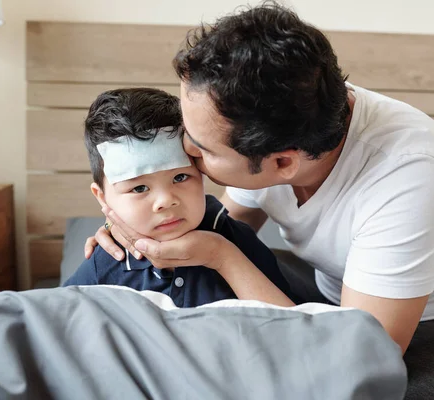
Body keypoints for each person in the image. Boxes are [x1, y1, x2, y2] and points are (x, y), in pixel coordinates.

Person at [86, 3, 434, 398]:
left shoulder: (411, 178)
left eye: (204, 150)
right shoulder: (273, 105)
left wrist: (222, 256)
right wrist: (136, 234)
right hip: (324, 285)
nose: (189, 153)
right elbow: (227, 226)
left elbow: (361, 354)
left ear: (283, 162)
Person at [66, 87, 295, 308]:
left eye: (180, 177)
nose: (166, 200)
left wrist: (221, 254)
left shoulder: (239, 241)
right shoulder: (105, 260)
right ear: (103, 198)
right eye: (139, 189)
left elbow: (295, 324)